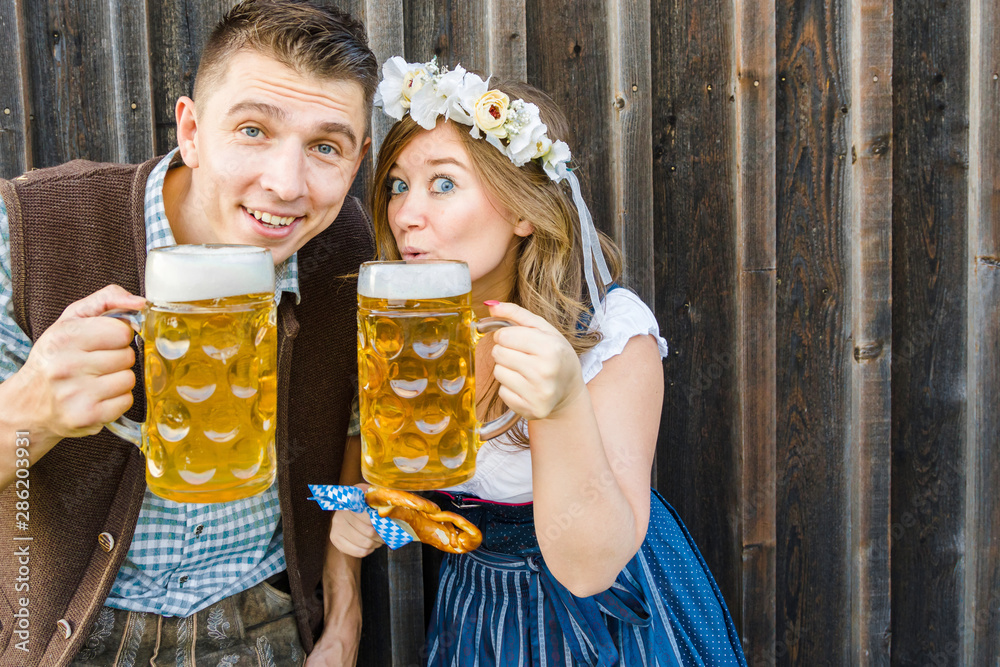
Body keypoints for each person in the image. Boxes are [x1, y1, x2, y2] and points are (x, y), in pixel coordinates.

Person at [328, 57, 749, 666]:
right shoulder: (407, 326)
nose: (404, 214)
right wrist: (363, 511)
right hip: (478, 612)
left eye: (442, 183)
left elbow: (591, 567)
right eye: (397, 185)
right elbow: (383, 459)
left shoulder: (610, 338)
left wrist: (562, 406)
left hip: (612, 620)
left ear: (524, 211)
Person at [0, 1, 376, 664]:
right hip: (68, 632)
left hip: (267, 626)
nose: (286, 185)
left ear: (357, 159)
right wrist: (30, 410)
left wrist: (344, 614)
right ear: (192, 130)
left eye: (325, 145)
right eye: (254, 130)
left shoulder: (345, 247)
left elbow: (349, 429)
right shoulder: (30, 226)